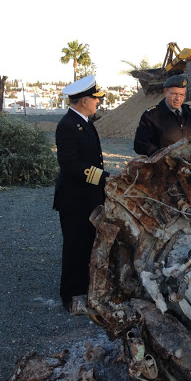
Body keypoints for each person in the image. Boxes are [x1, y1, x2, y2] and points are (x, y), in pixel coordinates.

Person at [53, 75, 109, 313]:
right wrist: (103, 178)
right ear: (84, 100)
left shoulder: (85, 121)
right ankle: (70, 296)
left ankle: (86, 290)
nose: (98, 102)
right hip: (74, 198)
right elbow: (71, 166)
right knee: (75, 247)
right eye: (95, 99)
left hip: (89, 196)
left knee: (88, 244)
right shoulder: (67, 125)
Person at [134, 75, 191, 156]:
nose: (178, 99)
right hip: (166, 168)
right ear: (165, 92)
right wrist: (163, 155)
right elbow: (140, 143)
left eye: (182, 95)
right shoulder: (151, 116)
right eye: (174, 94)